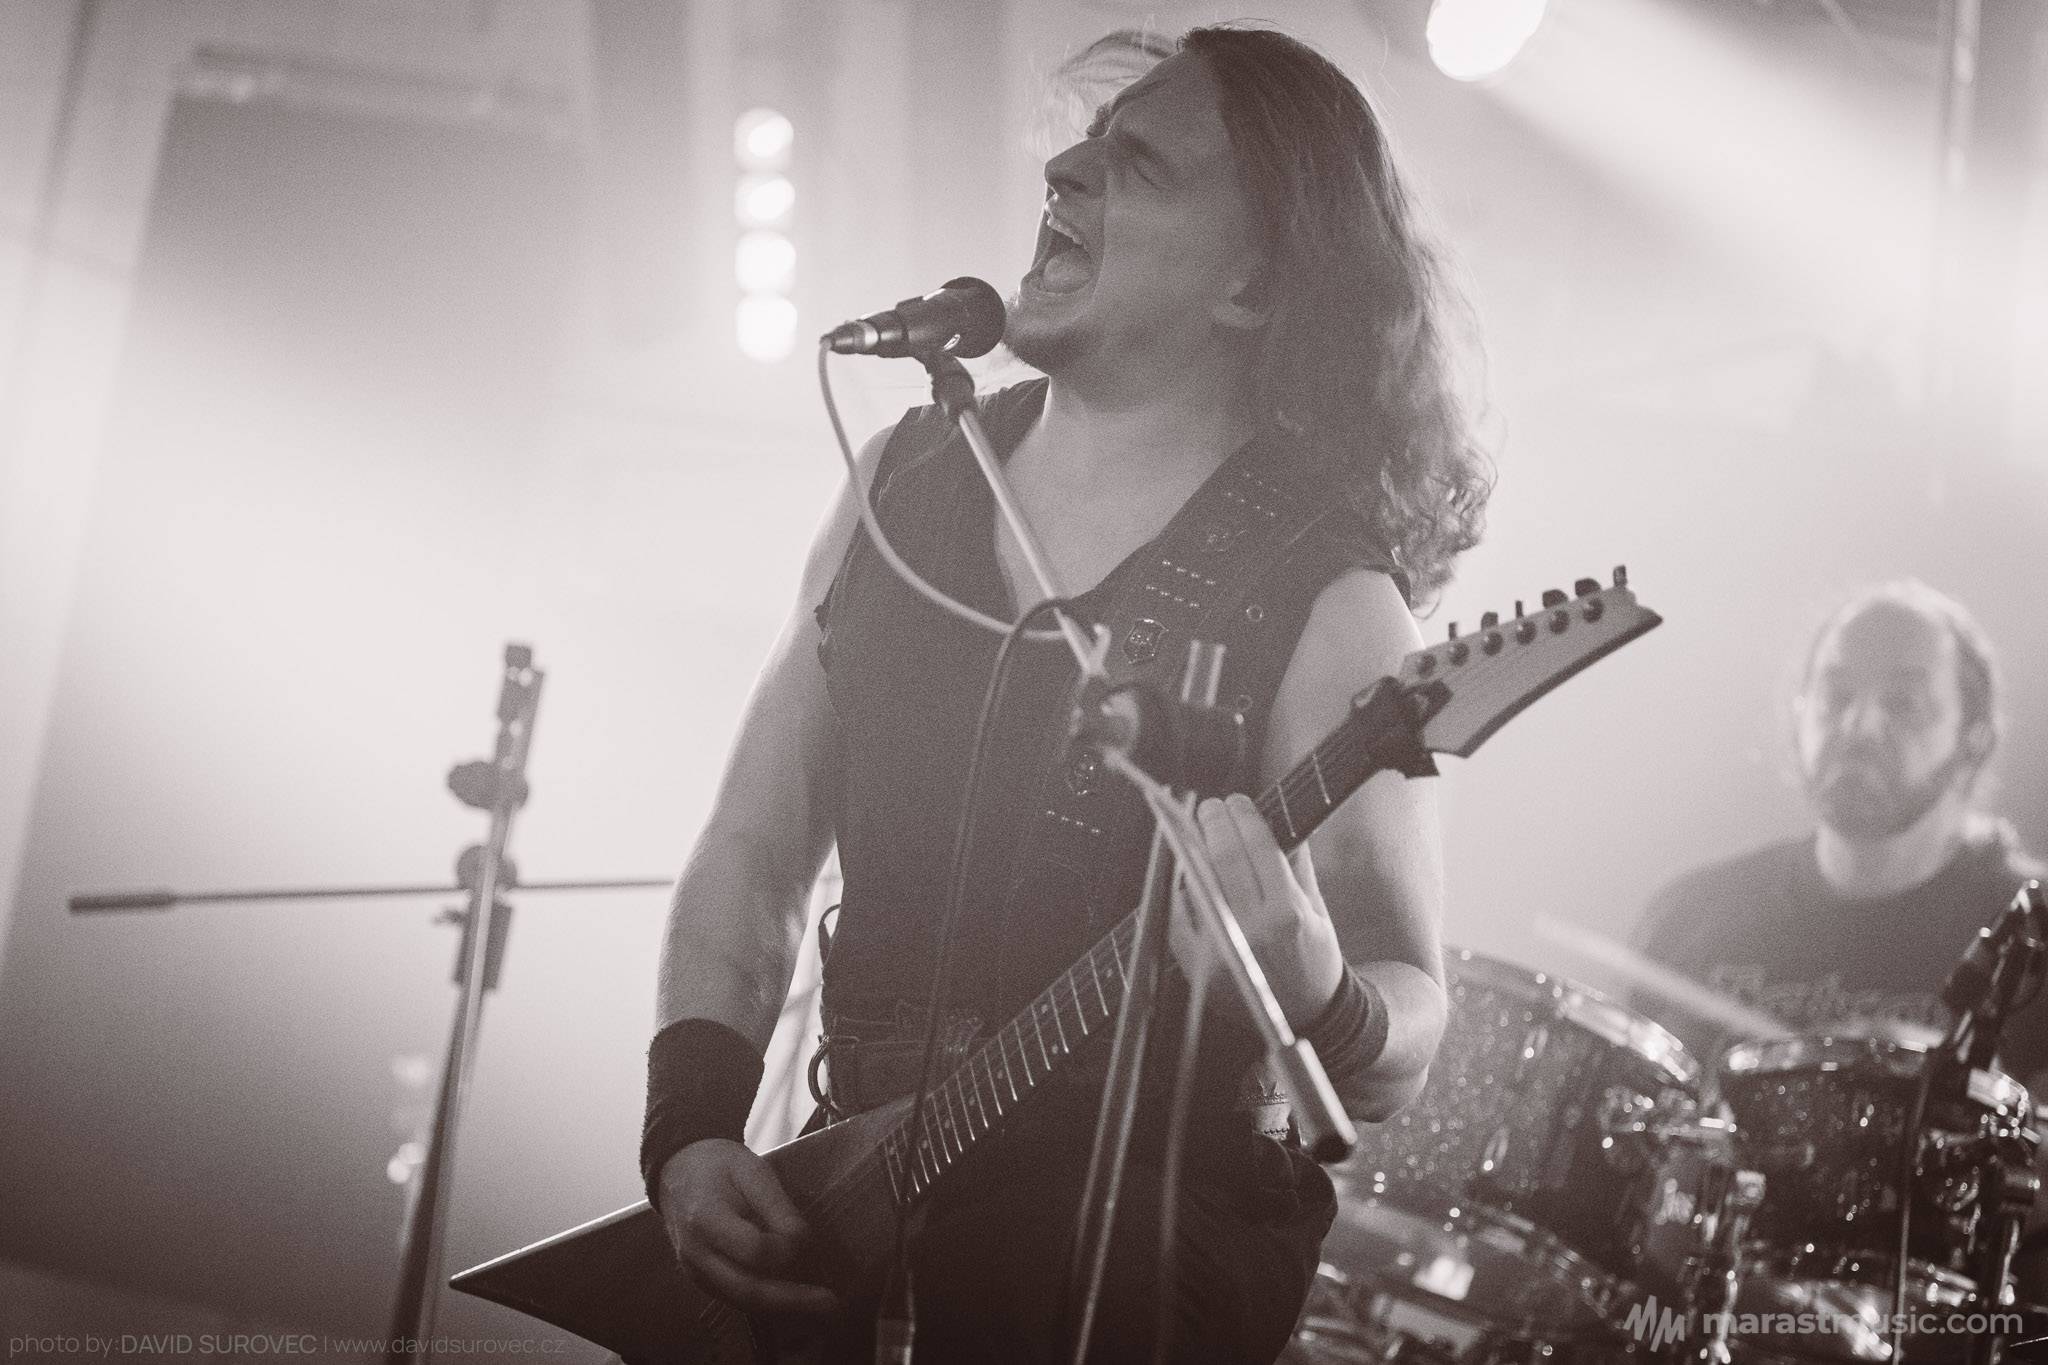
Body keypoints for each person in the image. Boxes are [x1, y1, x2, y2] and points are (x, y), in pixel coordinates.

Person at [639, 24, 1490, 1363]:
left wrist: (1316, 987)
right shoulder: (900, 484)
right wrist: (690, 1128)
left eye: (1139, 163)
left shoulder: (1329, 598)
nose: (1064, 172)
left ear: (1253, 288)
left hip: (1135, 1248)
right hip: (855, 1192)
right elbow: (752, 852)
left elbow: (1408, 1025)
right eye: (1086, 142)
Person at [1634, 579, 2047, 1081]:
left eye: (1903, 702)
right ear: (1799, 716)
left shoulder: (2034, 935)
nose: (1859, 726)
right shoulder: (1688, 917)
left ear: (1974, 742)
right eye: (1836, 695)